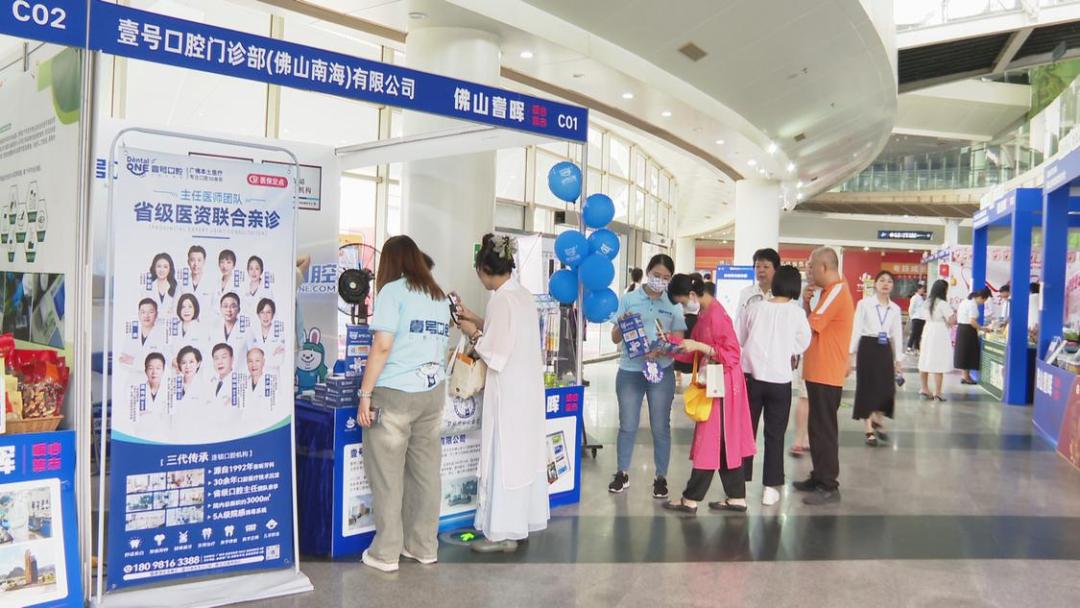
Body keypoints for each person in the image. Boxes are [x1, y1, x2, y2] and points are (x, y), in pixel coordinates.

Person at [356, 235, 450, 573]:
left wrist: (365, 394)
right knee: (426, 473)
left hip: (395, 393)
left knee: (387, 474)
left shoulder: (392, 292)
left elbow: (382, 346)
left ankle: (386, 552)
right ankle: (423, 546)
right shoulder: (438, 295)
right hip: (432, 393)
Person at [455, 234, 549, 553]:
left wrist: (472, 333)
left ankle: (502, 532)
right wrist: (476, 319)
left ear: (483, 269)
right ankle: (519, 524)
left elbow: (495, 353)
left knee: (504, 457)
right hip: (527, 392)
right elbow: (508, 332)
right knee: (522, 458)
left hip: (508, 393)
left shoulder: (499, 300)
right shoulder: (521, 295)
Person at [661, 273, 755, 514]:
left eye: (683, 302)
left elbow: (732, 354)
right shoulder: (706, 312)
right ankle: (736, 497)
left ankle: (691, 498)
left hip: (723, 384)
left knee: (710, 439)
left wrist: (699, 346)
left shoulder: (715, 315)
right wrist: (670, 343)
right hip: (718, 382)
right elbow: (694, 351)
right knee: (724, 440)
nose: (683, 307)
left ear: (693, 295)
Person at [608, 254, 686, 498]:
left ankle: (661, 477)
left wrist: (664, 348)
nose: (660, 280)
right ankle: (621, 473)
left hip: (661, 371)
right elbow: (614, 337)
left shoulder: (673, 303)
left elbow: (679, 341)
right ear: (648, 272)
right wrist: (622, 325)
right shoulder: (629, 299)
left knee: (661, 426)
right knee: (627, 425)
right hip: (630, 370)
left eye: (666, 277)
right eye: (656, 275)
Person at [737, 265, 811, 505]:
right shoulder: (797, 313)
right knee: (775, 434)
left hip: (751, 378)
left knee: (746, 431)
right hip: (780, 380)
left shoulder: (755, 308)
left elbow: (741, 338)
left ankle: (738, 485)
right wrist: (787, 350)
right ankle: (770, 488)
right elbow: (804, 341)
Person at [794, 247, 854, 506]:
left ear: (824, 267)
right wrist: (807, 304)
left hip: (827, 372)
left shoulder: (837, 290)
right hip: (818, 370)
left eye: (811, 266)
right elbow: (816, 325)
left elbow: (809, 326)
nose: (808, 270)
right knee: (816, 427)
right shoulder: (828, 292)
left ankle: (829, 485)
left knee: (825, 429)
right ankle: (819, 476)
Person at [850, 271, 904, 447]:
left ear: (892, 286)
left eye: (889, 281)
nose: (885, 284)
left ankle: (878, 420)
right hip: (867, 346)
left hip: (884, 348)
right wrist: (850, 353)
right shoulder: (864, 304)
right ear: (875, 284)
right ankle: (869, 429)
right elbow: (856, 329)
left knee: (886, 388)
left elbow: (897, 334)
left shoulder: (895, 309)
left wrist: (898, 359)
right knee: (867, 387)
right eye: (882, 280)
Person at [918, 279, 956, 401]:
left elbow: (921, 315)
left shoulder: (926, 302)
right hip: (939, 331)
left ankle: (924, 388)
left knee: (925, 358)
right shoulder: (943, 304)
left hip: (927, 329)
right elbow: (952, 320)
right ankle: (938, 392)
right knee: (938, 360)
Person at [735, 248, 781, 326]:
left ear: (776, 269)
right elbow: (739, 323)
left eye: (766, 267)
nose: (761, 270)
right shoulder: (746, 293)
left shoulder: (782, 294)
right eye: (757, 266)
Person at [955, 288, 990, 385]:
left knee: (964, 353)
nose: (983, 303)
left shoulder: (965, 301)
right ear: (981, 297)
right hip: (968, 330)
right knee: (968, 353)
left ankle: (965, 376)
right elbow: (972, 321)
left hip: (962, 329)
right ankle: (966, 377)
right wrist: (982, 328)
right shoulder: (972, 305)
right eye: (984, 300)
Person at [246, 298, 287, 371]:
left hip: (273, 375)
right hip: (256, 375)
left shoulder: (279, 332)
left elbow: (279, 360)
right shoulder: (252, 332)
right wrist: (272, 354)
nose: (265, 316)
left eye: (268, 312)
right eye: (262, 312)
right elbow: (250, 359)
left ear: (273, 314)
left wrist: (258, 359)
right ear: (258, 315)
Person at [210, 292, 248, 367]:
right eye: (225, 306)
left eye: (233, 306)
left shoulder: (247, 331)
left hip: (239, 370)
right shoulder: (214, 329)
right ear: (220, 309)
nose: (229, 310)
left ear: (239, 309)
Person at [181, 246, 216, 322]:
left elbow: (216, 309)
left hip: (205, 324)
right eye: (192, 260)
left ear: (204, 262)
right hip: (186, 324)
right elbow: (175, 307)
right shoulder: (181, 284)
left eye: (199, 260)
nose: (196, 264)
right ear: (188, 262)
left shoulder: (212, 284)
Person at [242, 255, 274, 321]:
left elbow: (271, 310)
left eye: (257, 269)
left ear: (261, 270)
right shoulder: (243, 288)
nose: (253, 272)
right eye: (251, 269)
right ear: (248, 270)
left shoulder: (267, 290)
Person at [146, 253, 178, 318]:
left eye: (165, 267)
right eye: (159, 266)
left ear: (170, 269)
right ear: (154, 268)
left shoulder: (176, 287)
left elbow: (177, 311)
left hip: (170, 323)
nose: (162, 270)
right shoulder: (147, 288)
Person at [907, 283, 927, 353]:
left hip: (922, 318)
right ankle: (909, 347)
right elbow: (911, 308)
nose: (923, 290)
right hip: (916, 318)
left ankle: (917, 348)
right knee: (914, 333)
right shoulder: (914, 297)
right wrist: (912, 316)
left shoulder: (922, 298)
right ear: (918, 289)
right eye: (922, 289)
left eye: (923, 289)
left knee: (919, 334)